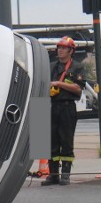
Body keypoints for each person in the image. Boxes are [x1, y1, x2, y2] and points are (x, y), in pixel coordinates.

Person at [42, 37, 85, 186]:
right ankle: (53, 174)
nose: (59, 50)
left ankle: (65, 174)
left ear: (70, 51)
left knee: (66, 140)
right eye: (59, 47)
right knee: (50, 141)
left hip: (67, 107)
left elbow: (78, 88)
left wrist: (59, 83)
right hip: (52, 106)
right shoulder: (51, 66)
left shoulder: (77, 67)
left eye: (63, 48)